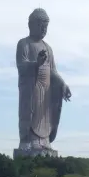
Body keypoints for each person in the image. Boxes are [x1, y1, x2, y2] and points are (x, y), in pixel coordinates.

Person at [16, 8, 72, 156]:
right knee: (31, 113)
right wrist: (36, 64)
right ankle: (29, 140)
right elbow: (21, 66)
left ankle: (44, 141)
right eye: (40, 26)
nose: (43, 30)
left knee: (45, 115)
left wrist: (62, 83)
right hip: (32, 88)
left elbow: (53, 71)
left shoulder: (48, 48)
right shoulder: (24, 44)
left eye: (46, 27)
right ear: (31, 25)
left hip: (46, 91)